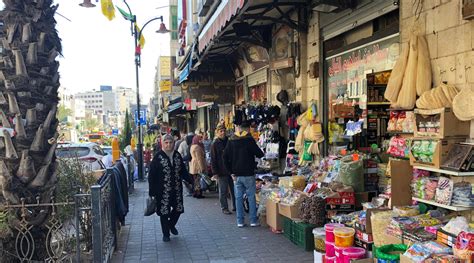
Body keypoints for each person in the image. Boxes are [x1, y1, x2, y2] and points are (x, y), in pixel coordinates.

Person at [148, 134, 190, 242]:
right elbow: (151, 175)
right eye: (166, 142)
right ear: (162, 143)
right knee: (164, 212)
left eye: (170, 142)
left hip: (176, 188)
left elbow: (183, 170)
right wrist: (152, 191)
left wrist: (191, 180)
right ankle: (165, 234)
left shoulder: (177, 155)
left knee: (178, 209)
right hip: (162, 190)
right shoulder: (158, 157)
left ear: (173, 143)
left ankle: (171, 225)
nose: (168, 145)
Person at [223, 120, 264, 228]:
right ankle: (253, 221)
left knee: (238, 198)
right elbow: (260, 154)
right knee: (251, 197)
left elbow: (224, 157)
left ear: (239, 128)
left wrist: (230, 172)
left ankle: (240, 221)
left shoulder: (231, 140)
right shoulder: (249, 140)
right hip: (249, 174)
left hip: (236, 175)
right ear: (247, 129)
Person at [210, 124, 235, 215]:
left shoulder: (229, 141)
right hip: (221, 171)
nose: (223, 133)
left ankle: (235, 206)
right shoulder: (215, 144)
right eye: (221, 131)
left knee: (233, 190)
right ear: (217, 132)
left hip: (231, 170)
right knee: (223, 191)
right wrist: (215, 172)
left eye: (224, 131)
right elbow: (213, 159)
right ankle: (224, 208)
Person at [189, 134, 207, 198]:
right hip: (197, 165)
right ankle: (198, 193)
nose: (201, 140)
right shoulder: (197, 147)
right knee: (198, 180)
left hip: (194, 164)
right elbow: (199, 158)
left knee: (196, 180)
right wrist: (202, 168)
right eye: (200, 139)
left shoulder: (192, 146)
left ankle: (196, 193)